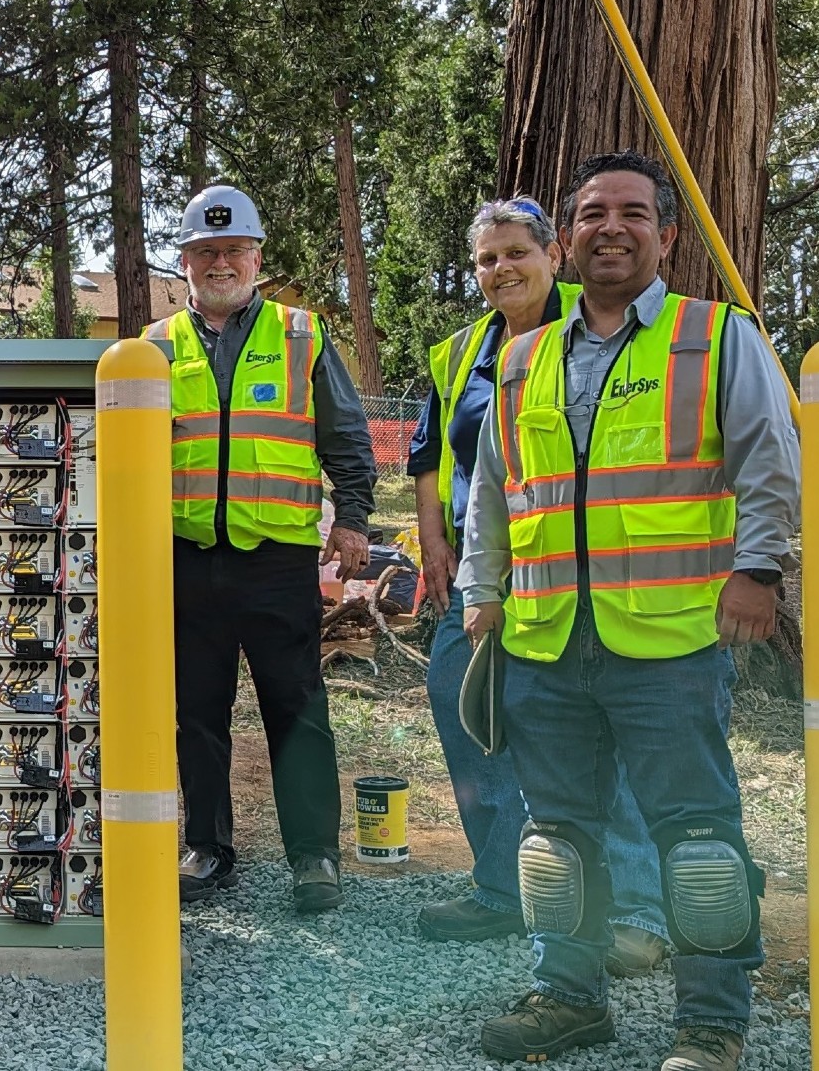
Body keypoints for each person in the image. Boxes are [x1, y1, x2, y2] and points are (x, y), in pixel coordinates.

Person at [460, 152, 797, 1071]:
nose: (612, 226)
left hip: (672, 644)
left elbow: (770, 463)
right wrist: (480, 591)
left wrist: (759, 571)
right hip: (545, 641)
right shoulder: (522, 355)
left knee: (697, 842)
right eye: (593, 213)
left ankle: (712, 1024)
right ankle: (569, 998)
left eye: (633, 212)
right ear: (567, 237)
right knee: (555, 839)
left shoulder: (717, 337)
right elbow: (496, 490)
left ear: (666, 234)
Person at [409, 197, 670, 977]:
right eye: (487, 259)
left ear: (554, 254)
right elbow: (433, 454)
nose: (501, 270)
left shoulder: (591, 333)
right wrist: (433, 544)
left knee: (596, 737)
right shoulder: (461, 353)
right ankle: (501, 885)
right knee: (469, 711)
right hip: (485, 576)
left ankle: (635, 909)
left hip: (578, 577)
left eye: (516, 252)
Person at [144, 184, 376, 913]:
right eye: (206, 251)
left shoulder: (301, 334)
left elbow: (345, 432)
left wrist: (355, 515)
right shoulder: (152, 347)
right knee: (196, 710)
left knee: (297, 706)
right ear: (184, 262)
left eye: (234, 250)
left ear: (257, 258)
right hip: (183, 558)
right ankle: (208, 847)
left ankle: (314, 856)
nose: (221, 263)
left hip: (277, 558)